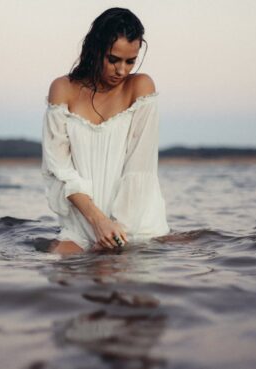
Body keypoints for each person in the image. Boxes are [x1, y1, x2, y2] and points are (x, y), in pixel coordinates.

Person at [42, 7, 169, 255]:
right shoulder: (63, 89)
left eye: (130, 61)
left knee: (119, 275)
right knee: (57, 269)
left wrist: (117, 229)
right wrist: (98, 221)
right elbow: (59, 169)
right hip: (82, 222)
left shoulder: (140, 87)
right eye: (113, 59)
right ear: (95, 49)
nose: (122, 71)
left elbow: (139, 169)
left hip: (135, 221)